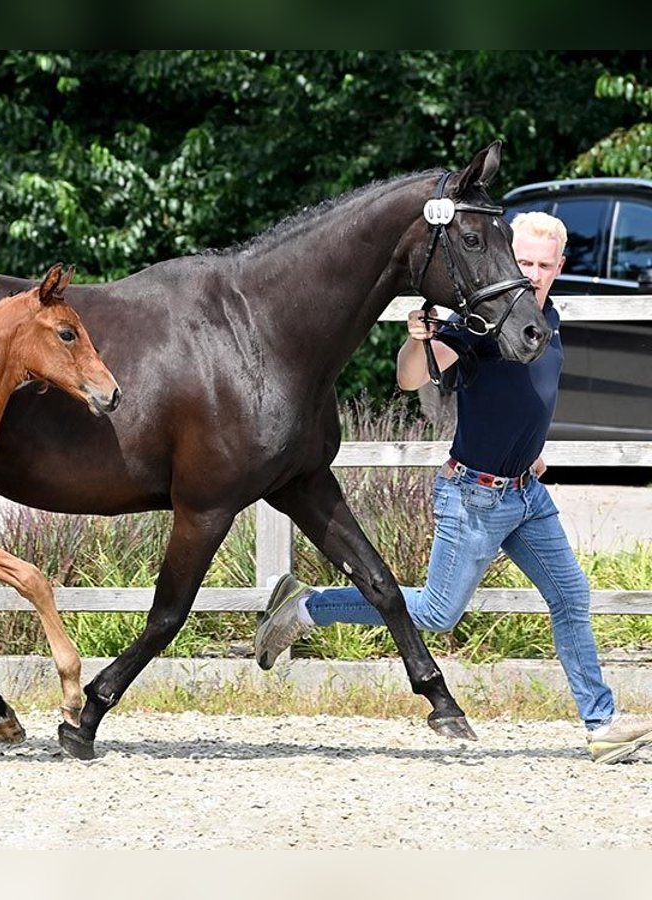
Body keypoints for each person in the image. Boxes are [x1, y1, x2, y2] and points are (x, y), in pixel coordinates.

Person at [255, 211, 652, 764]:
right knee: (439, 613)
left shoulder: (550, 319)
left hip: (525, 495)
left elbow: (527, 398)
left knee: (571, 597)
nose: (534, 273)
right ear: (510, 261)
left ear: (560, 267)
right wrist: (420, 339)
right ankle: (307, 607)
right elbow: (410, 377)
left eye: (544, 264)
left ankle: (601, 724)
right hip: (475, 496)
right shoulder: (481, 326)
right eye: (525, 262)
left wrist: (531, 451)